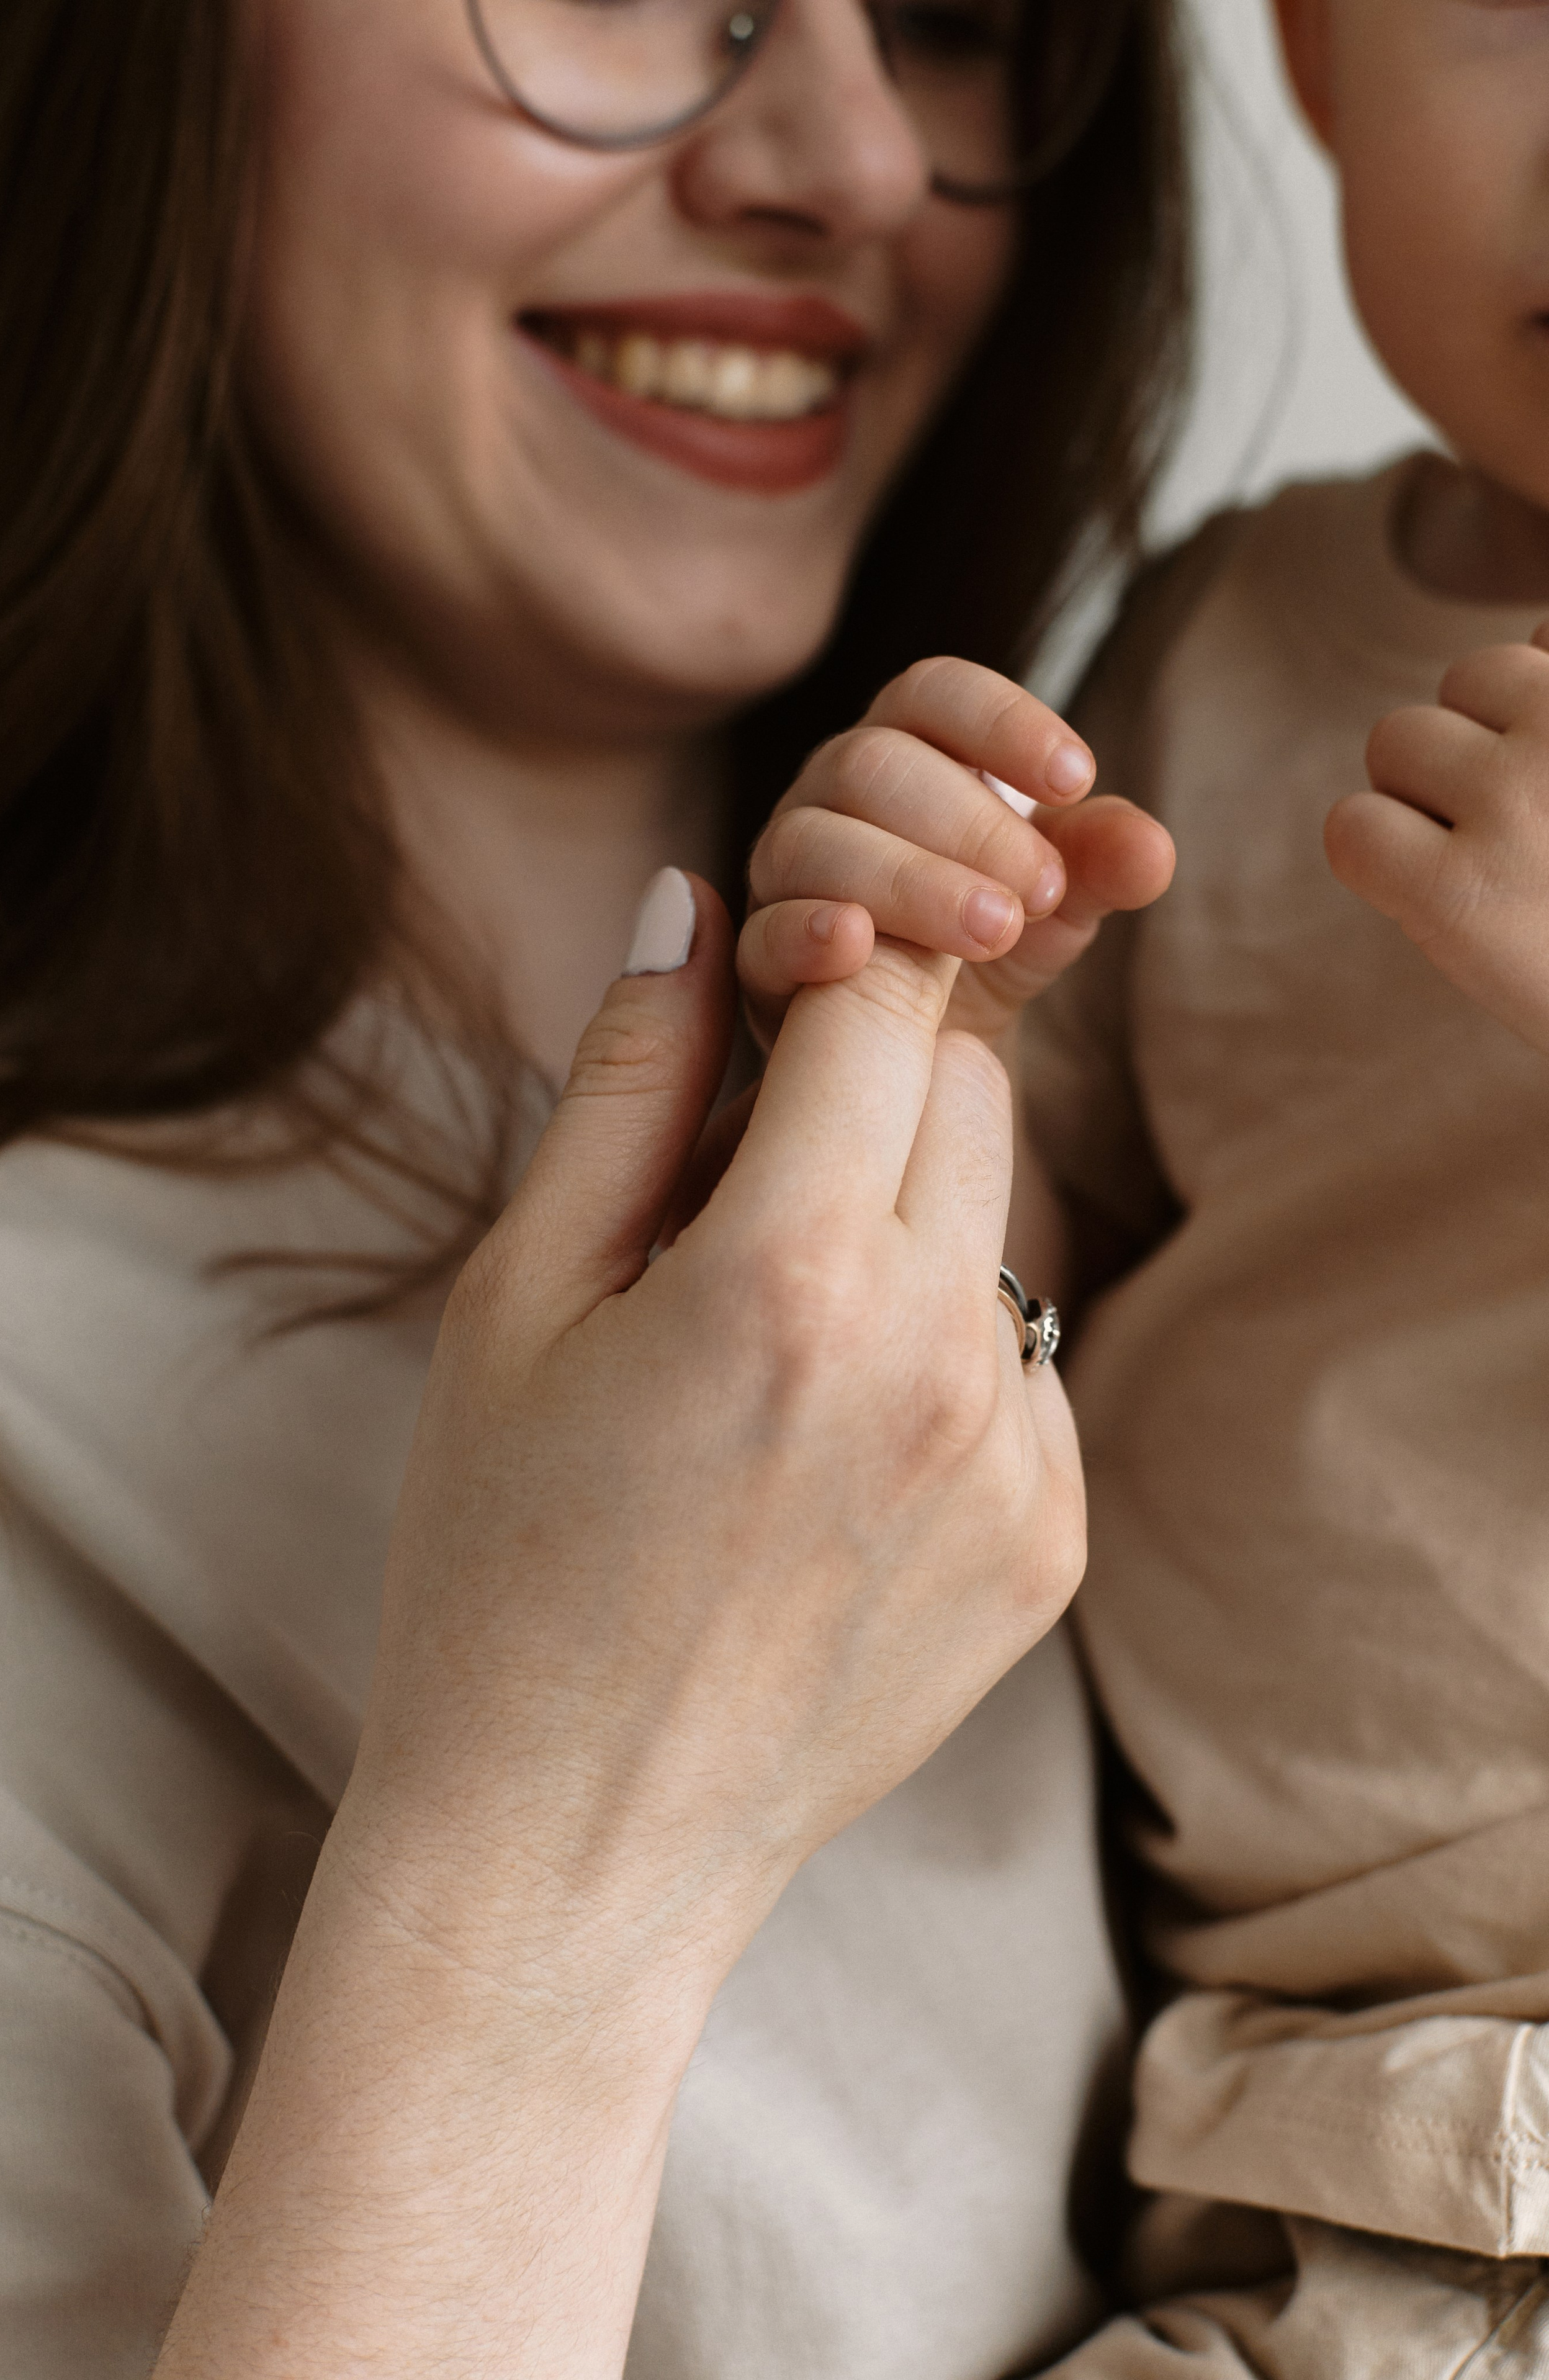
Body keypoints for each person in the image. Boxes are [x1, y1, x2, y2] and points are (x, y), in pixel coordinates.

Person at [0, 0, 1190, 2372]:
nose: (847, 157)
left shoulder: (1256, 1070)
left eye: (956, 14)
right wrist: (557, 1869)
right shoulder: (22, 1414)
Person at [740, 0, 1549, 2366]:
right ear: (1312, 63)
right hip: (1277, 2156)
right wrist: (918, 1000)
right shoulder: (1218, 635)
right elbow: (983, 1289)